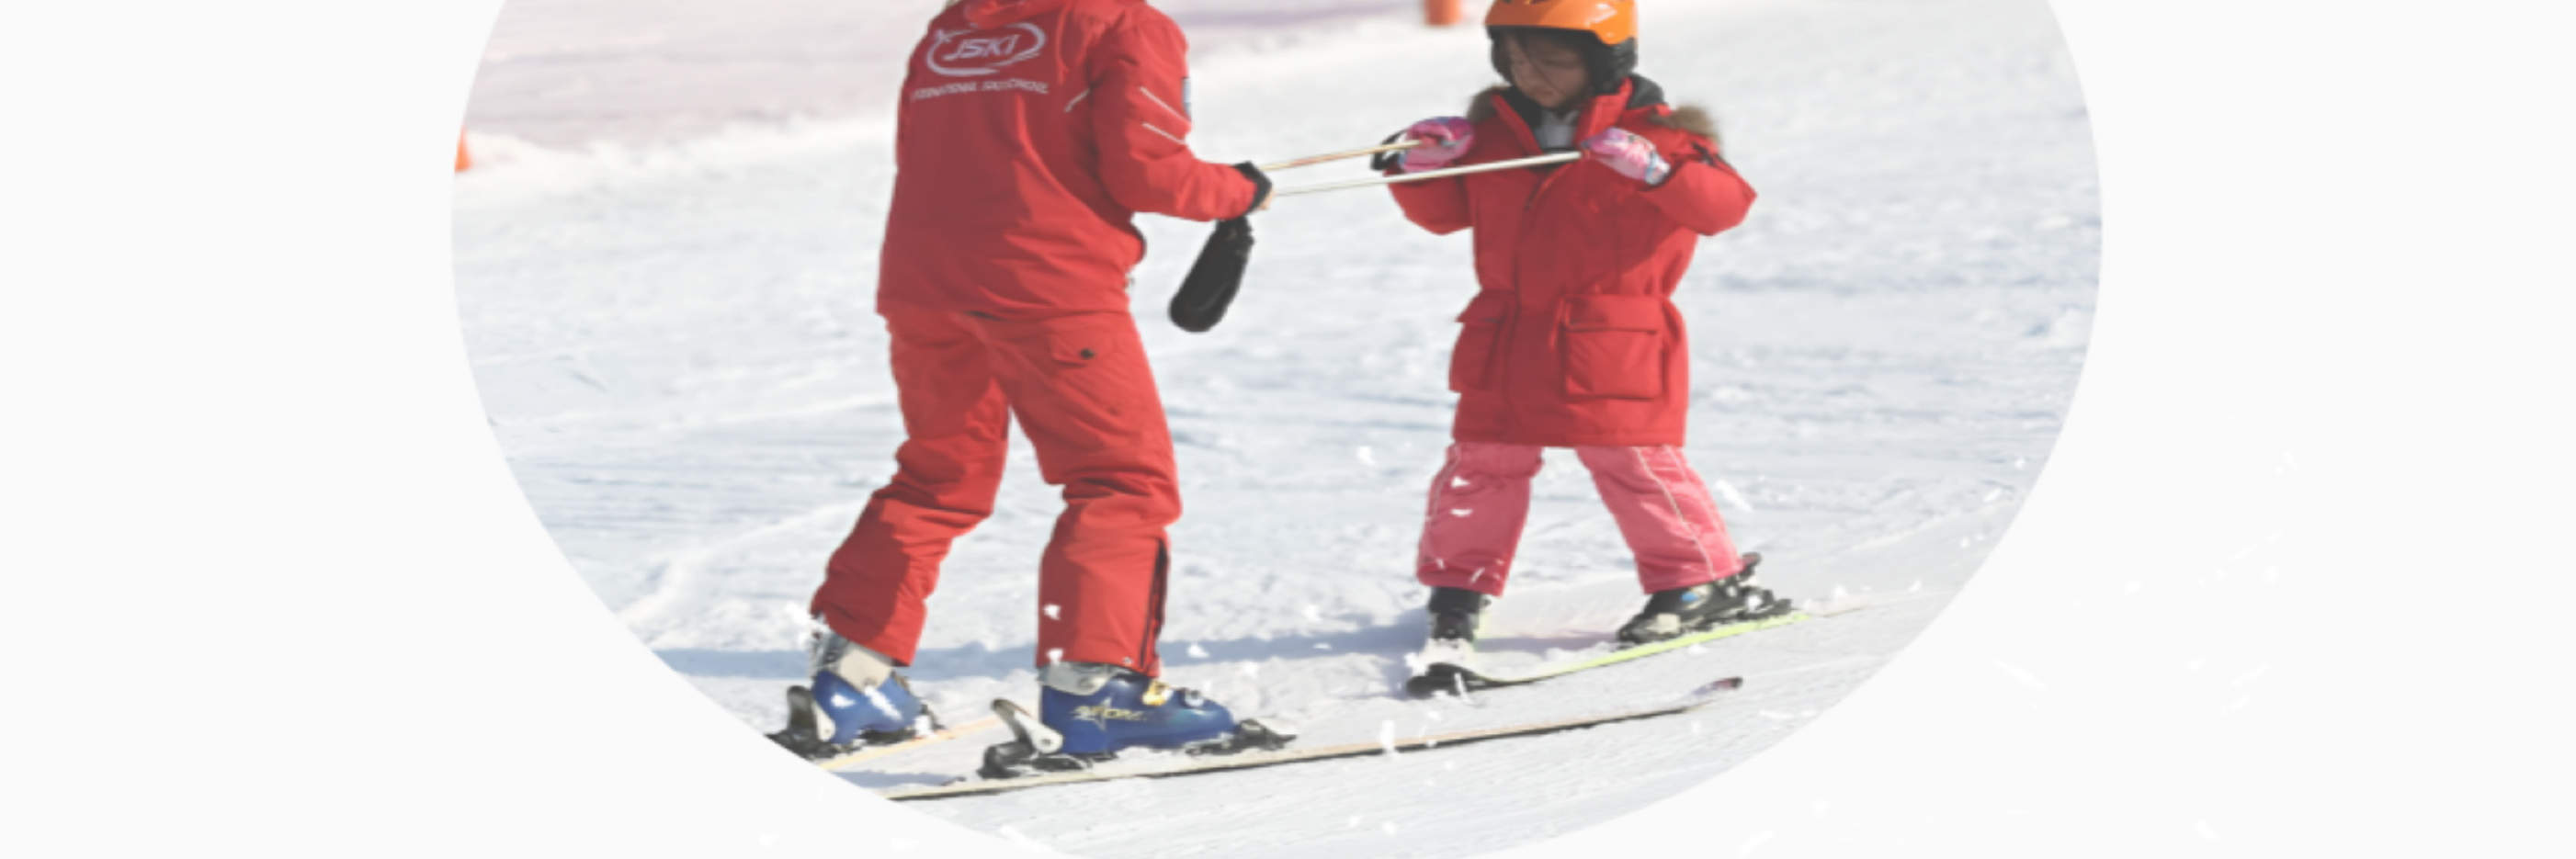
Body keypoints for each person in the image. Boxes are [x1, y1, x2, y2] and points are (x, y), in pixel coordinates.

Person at [771, 0, 1272, 763]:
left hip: (927, 285)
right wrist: (1239, 191)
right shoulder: (1123, 24)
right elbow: (1149, 172)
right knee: (1119, 482)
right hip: (1048, 287)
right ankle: (1097, 690)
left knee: (941, 476)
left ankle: (856, 677)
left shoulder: (955, 26)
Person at [1374, 0, 1788, 653]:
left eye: (1552, 58)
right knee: (1482, 462)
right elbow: (1445, 214)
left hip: (1612, 331)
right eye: (1513, 56)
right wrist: (1418, 167)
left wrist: (1660, 173)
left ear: (1605, 59)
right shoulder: (1498, 135)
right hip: (1507, 329)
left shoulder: (1664, 136)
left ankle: (1700, 579)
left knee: (1632, 461)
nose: (1530, 72)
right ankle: (1458, 584)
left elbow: (1724, 207)